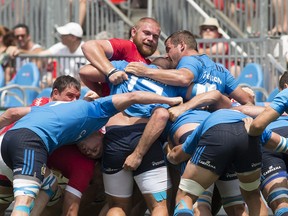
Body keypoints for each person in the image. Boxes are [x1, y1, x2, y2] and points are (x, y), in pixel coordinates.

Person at [0, 90, 181, 216]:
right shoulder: (98, 108)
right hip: (30, 142)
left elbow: (12, 113)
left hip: (7, 140)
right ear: (100, 132)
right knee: (23, 203)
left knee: (50, 186)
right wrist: (169, 101)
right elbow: (134, 96)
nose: (86, 150)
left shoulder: (54, 106)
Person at [80, 17, 175, 215]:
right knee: (158, 205)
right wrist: (110, 70)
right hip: (144, 137)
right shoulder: (170, 87)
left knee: (117, 206)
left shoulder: (129, 67)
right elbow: (88, 48)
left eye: (155, 36)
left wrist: (110, 94)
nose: (151, 39)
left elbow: (84, 71)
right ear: (133, 32)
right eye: (146, 33)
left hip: (115, 137)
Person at [0, 75, 100, 216]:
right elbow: (12, 113)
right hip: (17, 152)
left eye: (77, 97)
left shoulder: (67, 112)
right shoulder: (44, 104)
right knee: (32, 202)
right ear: (55, 93)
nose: (74, 101)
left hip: (10, 151)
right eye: (70, 96)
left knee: (48, 189)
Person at [167, 108, 288, 216]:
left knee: (186, 196)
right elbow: (282, 145)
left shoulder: (209, 119)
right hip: (247, 138)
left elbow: (178, 155)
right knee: (253, 197)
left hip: (217, 136)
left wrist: (168, 154)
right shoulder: (250, 122)